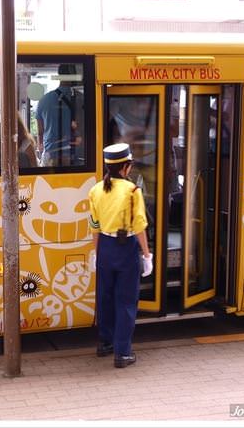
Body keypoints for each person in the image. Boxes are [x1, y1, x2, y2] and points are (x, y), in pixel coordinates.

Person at [88, 143, 153, 368]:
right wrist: (147, 256)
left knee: (104, 297)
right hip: (125, 249)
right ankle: (122, 352)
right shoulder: (133, 191)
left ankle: (105, 343)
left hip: (105, 246)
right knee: (125, 301)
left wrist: (96, 254)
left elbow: (94, 227)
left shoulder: (95, 190)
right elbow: (139, 228)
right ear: (126, 167)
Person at [36, 63, 83, 167]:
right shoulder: (81, 98)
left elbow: (40, 132)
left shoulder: (44, 100)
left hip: (51, 154)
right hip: (74, 156)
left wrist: (42, 150)